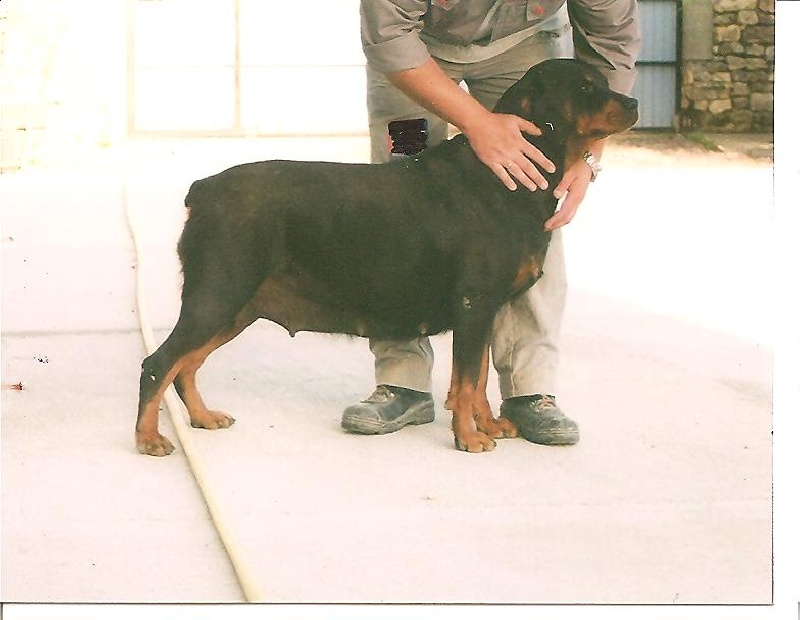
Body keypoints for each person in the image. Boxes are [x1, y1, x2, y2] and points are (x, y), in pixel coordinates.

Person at [341, 0, 641, 445]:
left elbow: (612, 42)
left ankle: (529, 388)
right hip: (415, 52)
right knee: (400, 191)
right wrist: (477, 122)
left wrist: (587, 155)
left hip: (522, 46)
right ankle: (402, 379)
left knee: (536, 193)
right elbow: (389, 34)